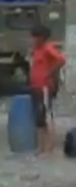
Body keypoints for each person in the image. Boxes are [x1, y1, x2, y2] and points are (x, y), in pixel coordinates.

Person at [28, 24, 66, 155]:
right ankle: (41, 147)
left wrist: (50, 72)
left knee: (45, 115)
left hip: (44, 87)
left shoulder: (47, 48)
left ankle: (49, 147)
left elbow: (61, 60)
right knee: (39, 117)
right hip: (35, 86)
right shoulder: (36, 50)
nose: (33, 39)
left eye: (36, 37)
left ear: (42, 37)